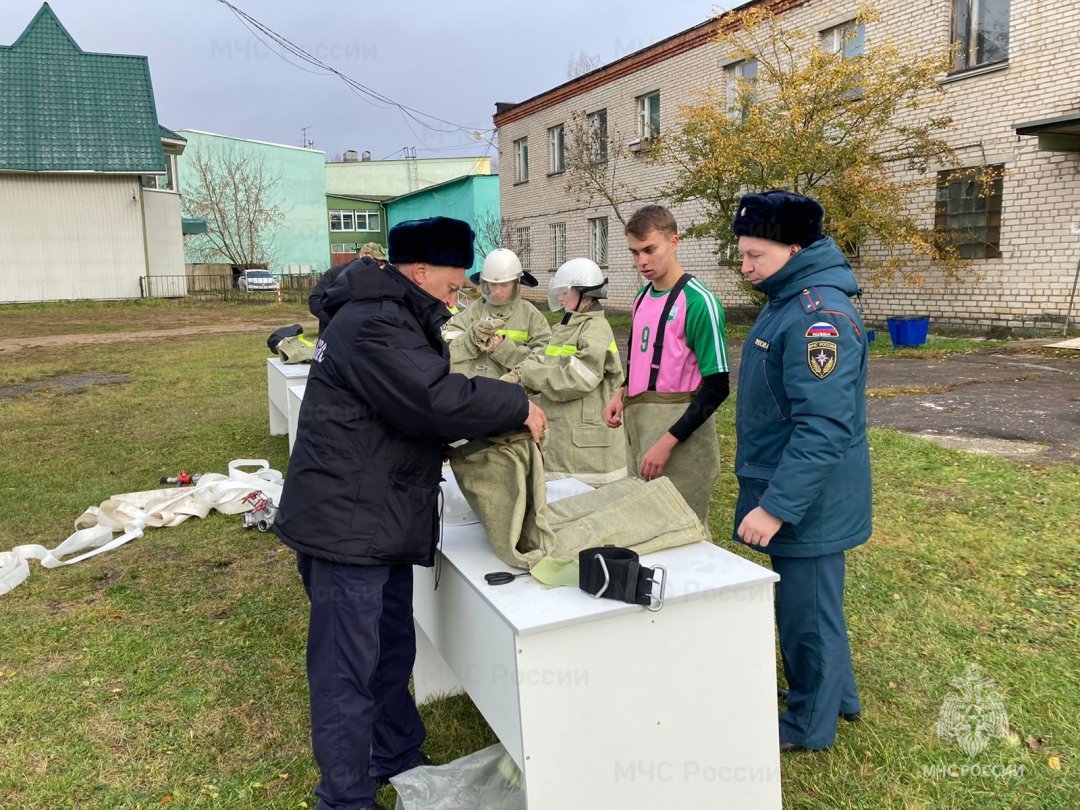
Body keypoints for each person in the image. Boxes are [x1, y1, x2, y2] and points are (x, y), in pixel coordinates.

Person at [273, 216, 547, 810]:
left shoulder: (390, 313)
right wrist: (514, 402)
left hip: (378, 516)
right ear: (419, 272)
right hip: (347, 526)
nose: (458, 298)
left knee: (391, 646)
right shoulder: (373, 322)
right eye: (453, 286)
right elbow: (430, 401)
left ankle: (395, 753)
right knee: (347, 668)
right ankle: (345, 796)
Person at [730, 190, 871, 753]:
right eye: (742, 254)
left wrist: (777, 507)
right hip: (800, 487)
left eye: (755, 256)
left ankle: (807, 724)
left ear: (795, 247)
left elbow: (823, 427)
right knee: (815, 605)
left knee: (805, 615)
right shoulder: (789, 294)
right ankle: (838, 697)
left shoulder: (820, 318)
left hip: (808, 499)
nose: (745, 267)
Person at [603, 204, 730, 531]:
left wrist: (668, 441)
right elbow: (641, 358)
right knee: (644, 524)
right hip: (641, 430)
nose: (641, 261)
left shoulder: (698, 301)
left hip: (679, 438)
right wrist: (623, 391)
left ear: (674, 242)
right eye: (634, 252)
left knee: (682, 528)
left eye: (650, 249)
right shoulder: (641, 297)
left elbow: (718, 387)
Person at [509, 257, 627, 485]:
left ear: (585, 292)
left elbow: (575, 380)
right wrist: (517, 374)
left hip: (588, 455)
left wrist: (529, 374)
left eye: (566, 292)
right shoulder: (567, 326)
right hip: (565, 444)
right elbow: (543, 357)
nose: (561, 297)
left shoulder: (595, 329)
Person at [442, 248, 551, 379]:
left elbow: (544, 362)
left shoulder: (532, 316)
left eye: (504, 285)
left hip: (512, 395)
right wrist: (471, 338)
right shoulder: (473, 310)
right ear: (485, 284)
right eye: (493, 285)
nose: (497, 291)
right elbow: (446, 349)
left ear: (516, 283)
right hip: (472, 394)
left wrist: (504, 350)